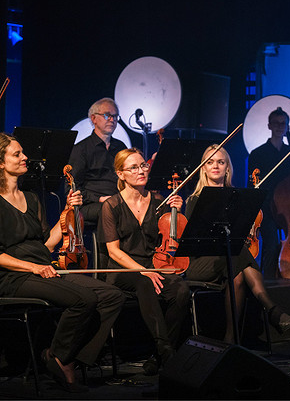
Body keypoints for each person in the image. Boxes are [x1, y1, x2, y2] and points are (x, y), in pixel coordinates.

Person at [0, 133, 125, 392]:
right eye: (17, 154)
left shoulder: (31, 198)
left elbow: (46, 244)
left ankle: (65, 357)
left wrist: (67, 212)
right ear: (1, 163)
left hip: (44, 267)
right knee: (84, 299)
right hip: (15, 277)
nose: (25, 157)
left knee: (112, 295)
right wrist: (33, 267)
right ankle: (61, 361)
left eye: (23, 152)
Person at [185, 145, 290, 343]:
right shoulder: (194, 200)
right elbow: (193, 242)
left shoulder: (238, 198)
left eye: (221, 162)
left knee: (236, 273)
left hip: (229, 261)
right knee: (236, 253)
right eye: (210, 162)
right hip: (201, 264)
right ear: (203, 168)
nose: (215, 166)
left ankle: (231, 338)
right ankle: (271, 309)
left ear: (228, 167)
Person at [99, 148, 190, 375]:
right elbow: (113, 251)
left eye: (143, 165)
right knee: (144, 282)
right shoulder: (111, 205)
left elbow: (172, 234)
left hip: (153, 266)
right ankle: (166, 350)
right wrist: (142, 271)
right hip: (122, 269)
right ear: (120, 174)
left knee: (180, 289)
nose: (141, 171)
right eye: (134, 167)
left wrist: (177, 211)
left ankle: (156, 355)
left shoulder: (158, 201)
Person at [247, 107, 290, 278]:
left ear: (287, 127)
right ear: (269, 125)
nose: (280, 126)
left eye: (283, 124)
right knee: (271, 244)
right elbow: (252, 186)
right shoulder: (257, 154)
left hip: (289, 208)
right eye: (276, 123)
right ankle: (269, 281)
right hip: (267, 207)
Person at [68, 98, 127, 224]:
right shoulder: (81, 149)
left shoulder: (121, 147)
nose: (112, 120)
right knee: (111, 209)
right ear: (94, 119)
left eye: (115, 116)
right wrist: (100, 198)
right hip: (91, 204)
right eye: (107, 115)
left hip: (117, 200)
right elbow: (73, 187)